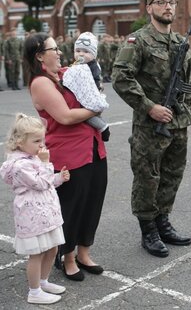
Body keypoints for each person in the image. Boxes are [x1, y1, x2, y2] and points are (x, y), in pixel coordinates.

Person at [112, 0, 191, 258]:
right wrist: (150, 108)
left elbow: (186, 84)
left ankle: (163, 222)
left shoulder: (181, 42)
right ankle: (148, 229)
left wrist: (186, 108)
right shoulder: (139, 41)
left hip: (178, 123)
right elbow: (121, 78)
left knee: (172, 174)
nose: (167, 7)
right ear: (149, 8)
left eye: (171, 3)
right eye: (161, 3)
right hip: (150, 126)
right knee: (148, 177)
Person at [24, 33, 108, 281]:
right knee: (72, 207)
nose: (60, 52)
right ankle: (68, 257)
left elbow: (91, 83)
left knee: (93, 201)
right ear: (40, 56)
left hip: (93, 146)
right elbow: (65, 116)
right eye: (54, 49)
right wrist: (97, 106)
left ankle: (84, 253)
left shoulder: (65, 74)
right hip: (69, 154)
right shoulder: (40, 83)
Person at [0, 113, 70, 305]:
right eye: (36, 140)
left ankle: (43, 281)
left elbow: (47, 183)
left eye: (43, 139)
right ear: (20, 142)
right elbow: (40, 183)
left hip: (46, 213)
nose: (42, 144)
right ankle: (34, 291)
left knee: (52, 248)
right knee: (37, 253)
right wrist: (47, 164)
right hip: (33, 216)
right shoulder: (20, 165)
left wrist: (59, 178)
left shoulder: (32, 157)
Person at [62, 31, 110, 141]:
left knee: (86, 114)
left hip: (89, 95)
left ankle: (103, 127)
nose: (81, 54)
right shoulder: (78, 64)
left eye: (86, 51)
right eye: (78, 51)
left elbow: (94, 81)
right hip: (83, 94)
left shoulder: (91, 66)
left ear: (94, 54)